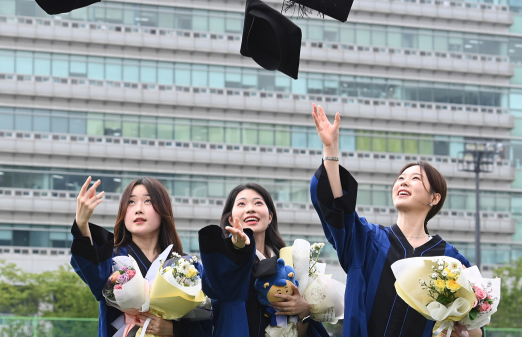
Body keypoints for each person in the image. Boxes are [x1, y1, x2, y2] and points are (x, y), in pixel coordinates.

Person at [309, 103, 482, 337]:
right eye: (400, 178)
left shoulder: (450, 260)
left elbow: (476, 327)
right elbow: (338, 207)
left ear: (435, 198)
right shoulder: (366, 241)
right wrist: (330, 149)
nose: (403, 182)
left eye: (415, 178)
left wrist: (463, 328)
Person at [70, 176, 212, 337]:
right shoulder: (111, 260)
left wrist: (175, 330)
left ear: (163, 209)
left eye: (147, 201)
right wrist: (82, 224)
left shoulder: (186, 266)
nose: (138, 209)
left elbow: (205, 323)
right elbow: (93, 274)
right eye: (131, 202)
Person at [198, 182, 330, 337]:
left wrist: (304, 312)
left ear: (270, 217)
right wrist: (237, 249)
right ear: (230, 219)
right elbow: (216, 287)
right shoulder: (225, 264)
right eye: (241, 204)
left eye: (258, 203)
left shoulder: (290, 264)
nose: (250, 208)